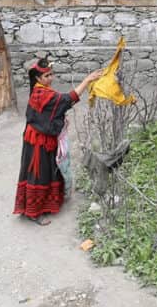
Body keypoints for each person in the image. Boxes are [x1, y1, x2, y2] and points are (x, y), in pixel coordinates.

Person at [14, 58, 102, 225]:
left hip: (38, 139)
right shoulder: (43, 94)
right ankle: (34, 212)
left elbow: (53, 110)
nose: (51, 78)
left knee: (47, 171)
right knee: (38, 174)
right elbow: (66, 99)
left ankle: (45, 204)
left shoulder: (40, 91)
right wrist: (87, 80)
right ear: (38, 79)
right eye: (47, 76)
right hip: (39, 142)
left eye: (51, 74)